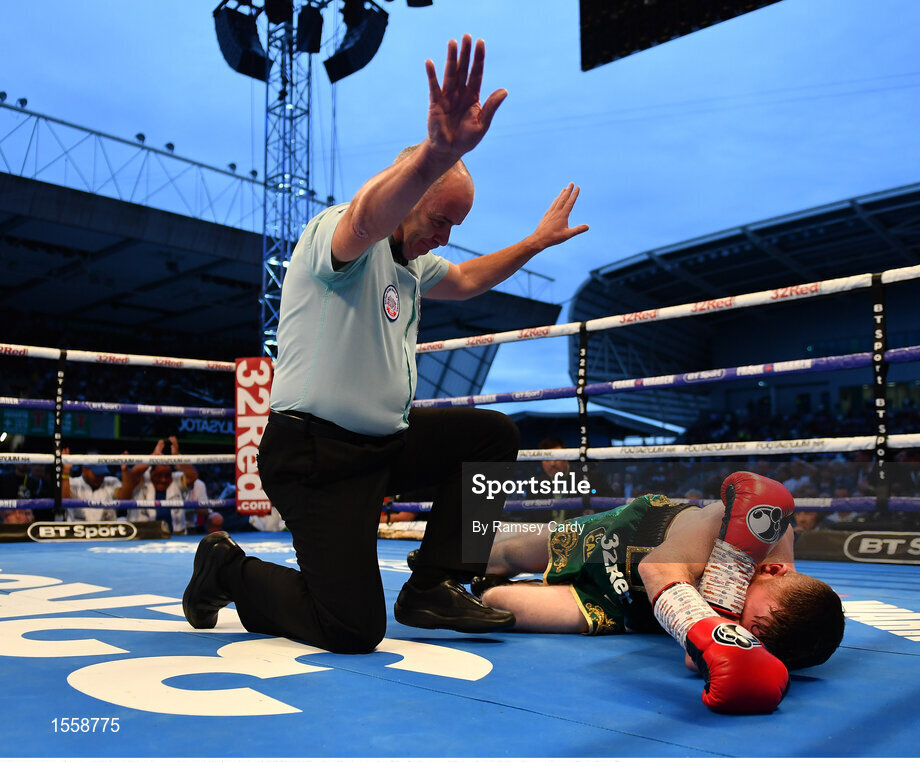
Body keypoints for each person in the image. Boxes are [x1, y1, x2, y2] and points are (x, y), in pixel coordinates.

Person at [182, 34, 588, 654]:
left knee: (492, 437)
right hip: (316, 457)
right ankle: (226, 568)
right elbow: (368, 218)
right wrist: (435, 153)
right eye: (440, 219)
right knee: (351, 628)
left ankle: (436, 584)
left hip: (383, 447)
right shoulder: (339, 238)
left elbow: (472, 277)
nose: (447, 235)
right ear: (411, 195)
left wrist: (533, 243)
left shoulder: (413, 266)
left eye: (456, 225)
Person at [477, 473, 845, 680]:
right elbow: (655, 568)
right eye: (738, 607)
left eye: (738, 631)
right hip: (618, 540)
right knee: (503, 555)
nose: (728, 621)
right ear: (773, 569)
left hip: (632, 609)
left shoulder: (768, 605)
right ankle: (442, 554)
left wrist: (715, 650)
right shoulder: (751, 527)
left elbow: (698, 653)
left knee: (499, 604)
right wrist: (709, 631)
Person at [121, 437, 198, 534]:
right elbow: (133, 473)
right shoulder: (142, 479)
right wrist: (153, 456)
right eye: (159, 475)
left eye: (167, 475)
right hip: (142, 536)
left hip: (175, 537)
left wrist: (176, 457)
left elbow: (193, 476)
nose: (163, 479)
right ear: (151, 472)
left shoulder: (176, 480)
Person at [61, 451, 119, 522]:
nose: (100, 477)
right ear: (84, 470)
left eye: (102, 474)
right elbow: (64, 500)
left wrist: (125, 470)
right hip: (78, 530)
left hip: (108, 530)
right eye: (96, 474)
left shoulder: (112, 482)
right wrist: (66, 471)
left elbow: (124, 497)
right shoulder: (73, 483)